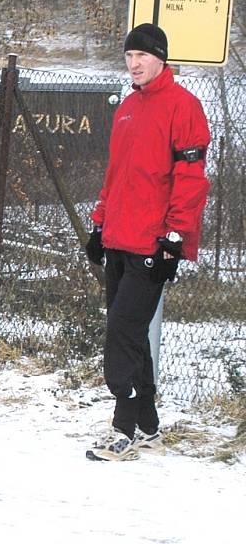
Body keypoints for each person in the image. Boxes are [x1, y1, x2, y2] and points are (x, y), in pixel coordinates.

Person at [84, 24, 210, 461]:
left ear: (161, 58)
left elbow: (191, 180)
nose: (133, 64)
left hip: (151, 245)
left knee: (121, 331)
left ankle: (124, 428)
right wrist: (99, 226)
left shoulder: (183, 107)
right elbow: (116, 176)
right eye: (128, 56)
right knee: (132, 335)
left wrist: (174, 240)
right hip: (119, 237)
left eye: (142, 56)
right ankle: (149, 426)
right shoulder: (127, 108)